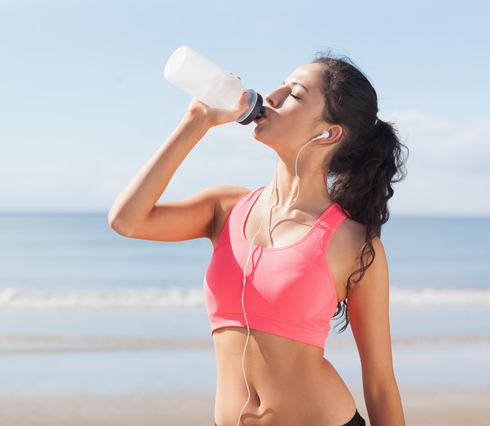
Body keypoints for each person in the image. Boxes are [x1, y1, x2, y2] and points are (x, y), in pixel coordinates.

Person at [108, 54, 407, 425]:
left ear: (328, 133)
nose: (272, 95)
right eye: (280, 84)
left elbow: (379, 383)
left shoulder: (355, 245)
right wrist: (195, 122)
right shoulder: (225, 208)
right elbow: (126, 220)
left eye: (295, 94)